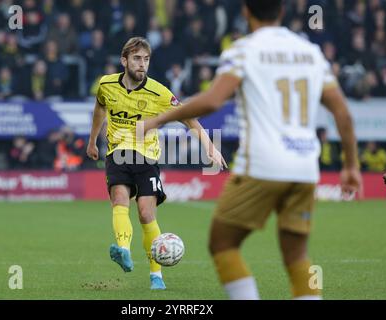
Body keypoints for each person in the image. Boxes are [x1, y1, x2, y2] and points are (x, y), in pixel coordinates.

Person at [142, 0, 362, 299]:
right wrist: (351, 165)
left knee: (223, 244)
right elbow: (343, 114)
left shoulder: (242, 50)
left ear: (246, 12)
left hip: (262, 165)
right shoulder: (310, 52)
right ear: (281, 12)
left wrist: (160, 119)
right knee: (297, 255)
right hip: (304, 168)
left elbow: (212, 101)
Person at [86, 37, 226, 290]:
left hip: (147, 157)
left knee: (145, 213)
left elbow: (189, 119)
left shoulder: (159, 92)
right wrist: (92, 140)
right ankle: (123, 249)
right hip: (117, 152)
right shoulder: (106, 85)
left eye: (146, 59)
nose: (142, 64)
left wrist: (210, 147)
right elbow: (99, 109)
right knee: (119, 199)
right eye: (137, 59)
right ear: (124, 60)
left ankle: (156, 275)